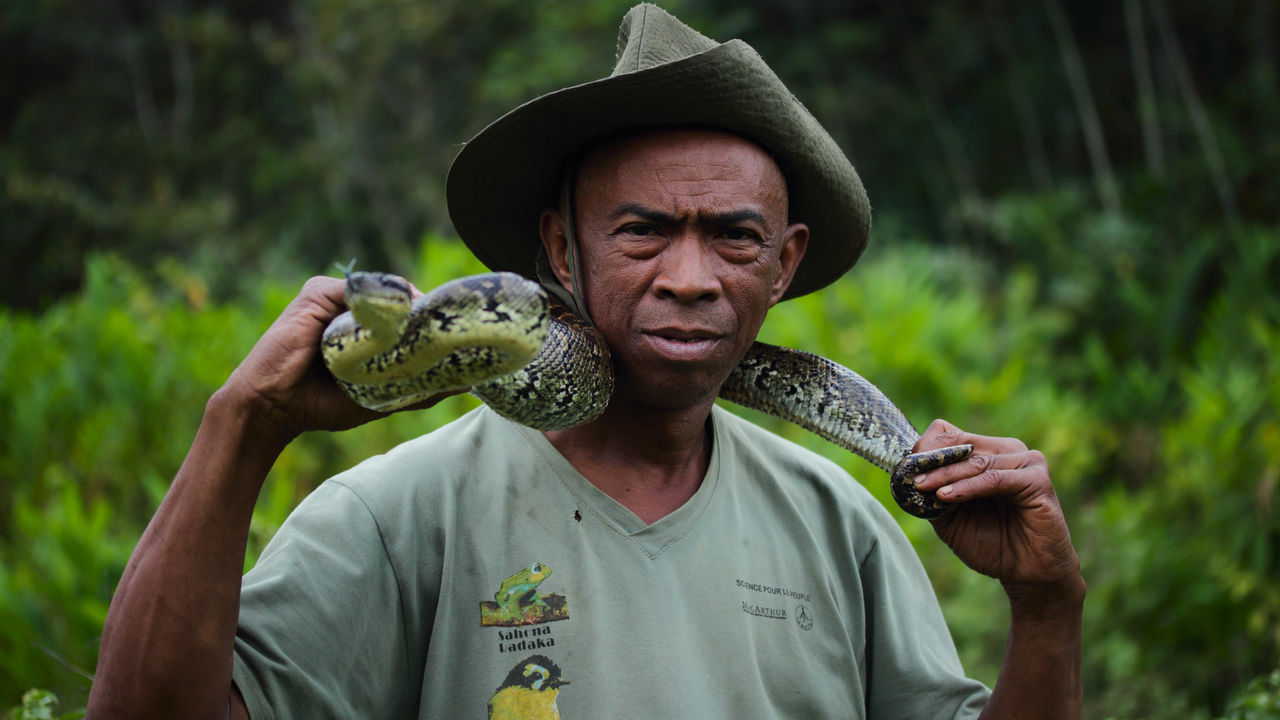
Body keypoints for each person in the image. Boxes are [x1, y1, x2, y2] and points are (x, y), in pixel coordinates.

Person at [87, 4, 1084, 719]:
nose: (689, 277)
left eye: (732, 237)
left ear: (782, 266)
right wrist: (243, 425)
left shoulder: (842, 526)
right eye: (644, 231)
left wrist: (1044, 609)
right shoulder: (397, 519)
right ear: (560, 252)